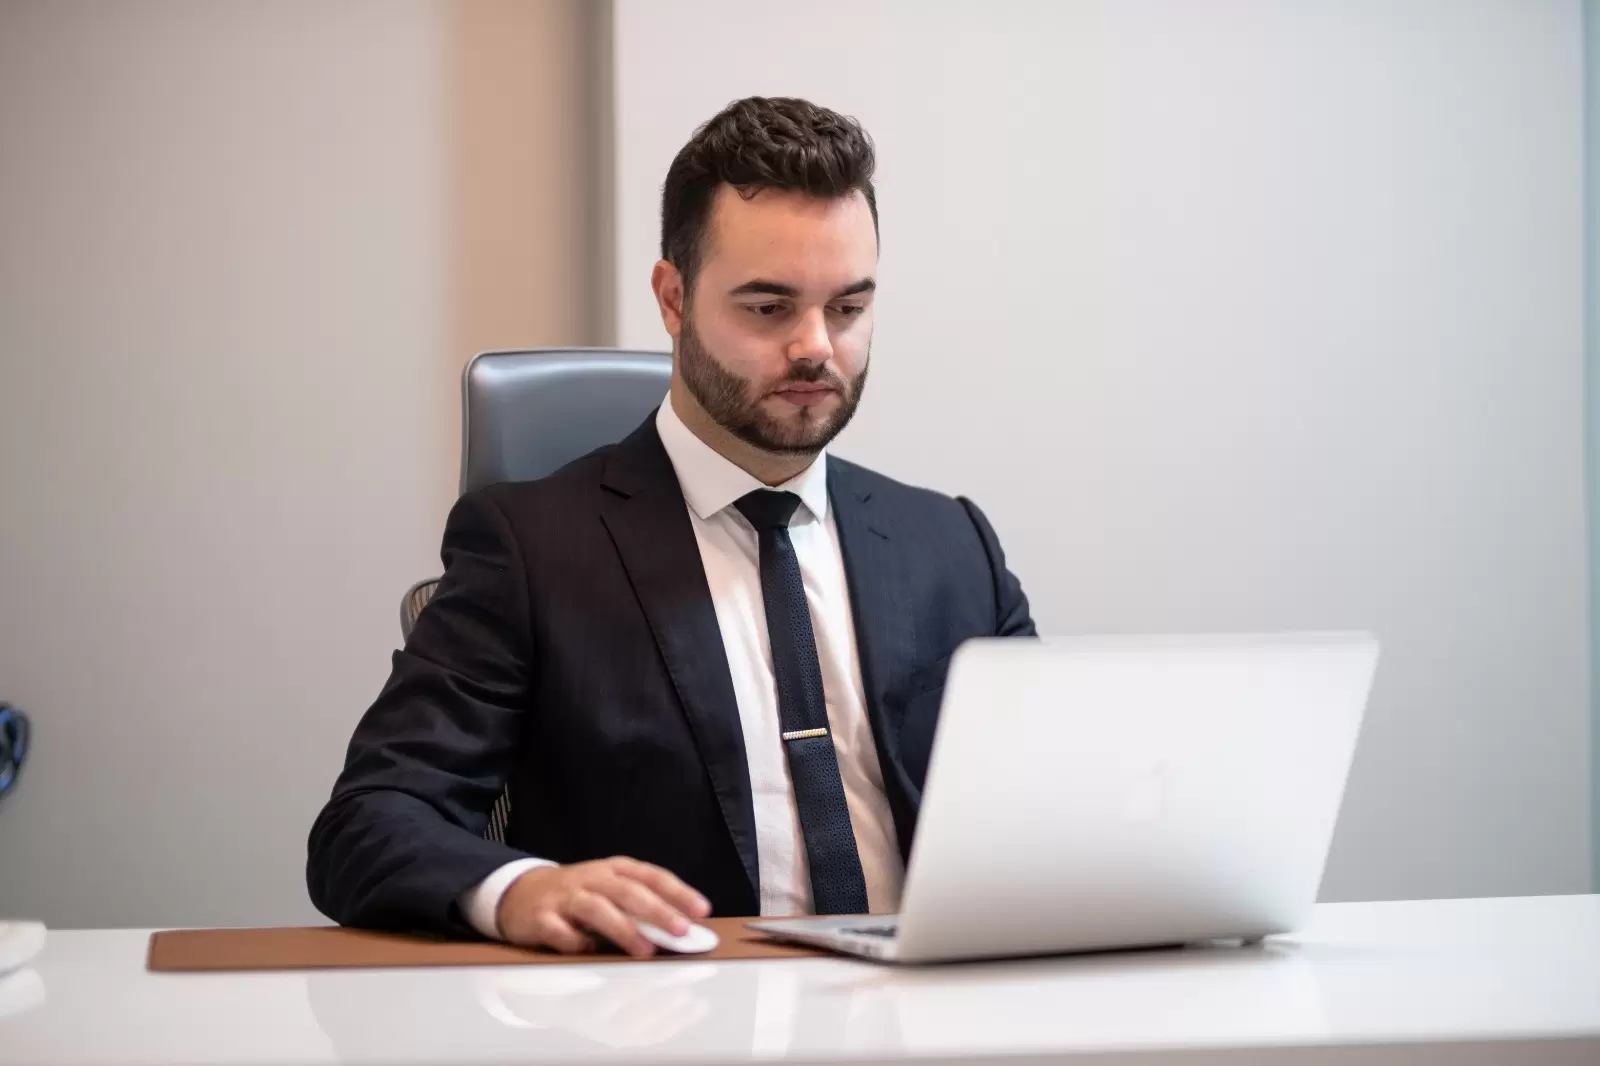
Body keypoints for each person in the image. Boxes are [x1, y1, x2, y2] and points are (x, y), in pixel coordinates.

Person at [306, 96, 1035, 957]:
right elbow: (369, 821)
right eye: (767, 308)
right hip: (668, 1018)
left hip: (934, 1016)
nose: (815, 347)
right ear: (673, 298)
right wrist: (521, 889)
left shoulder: (952, 546)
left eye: (847, 308)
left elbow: (1057, 800)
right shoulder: (531, 548)